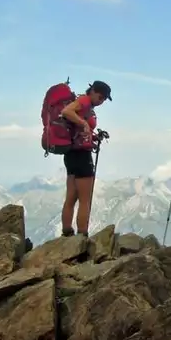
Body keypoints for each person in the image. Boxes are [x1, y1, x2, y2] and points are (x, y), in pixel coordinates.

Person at [58, 80, 112, 237]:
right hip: (81, 155)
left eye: (103, 99)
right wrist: (85, 124)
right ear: (92, 91)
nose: (101, 101)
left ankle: (66, 232)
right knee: (84, 199)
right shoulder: (84, 101)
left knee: (71, 197)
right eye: (100, 97)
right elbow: (67, 111)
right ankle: (82, 236)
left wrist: (92, 138)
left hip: (71, 153)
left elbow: (77, 130)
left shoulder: (84, 103)